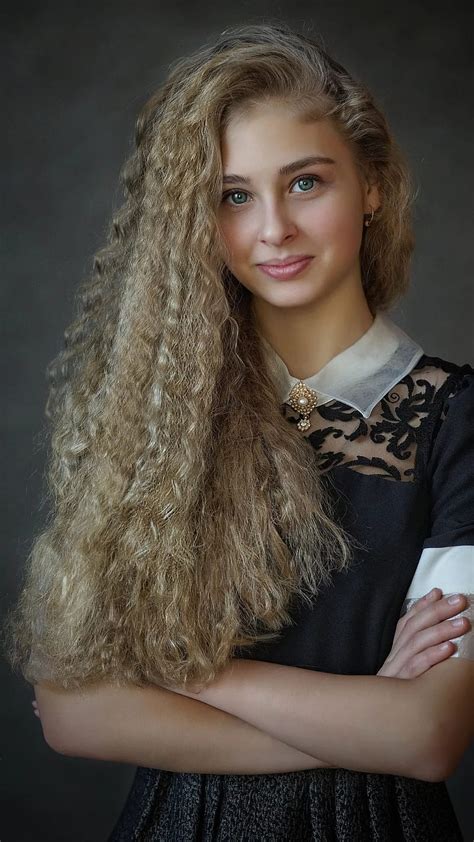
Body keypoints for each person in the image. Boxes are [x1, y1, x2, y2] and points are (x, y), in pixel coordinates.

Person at [4, 21, 474, 842]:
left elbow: (427, 736)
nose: (272, 230)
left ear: (371, 185)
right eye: (234, 195)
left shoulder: (455, 418)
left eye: (305, 183)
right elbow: (72, 713)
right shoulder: (151, 415)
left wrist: (178, 669)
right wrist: (364, 717)